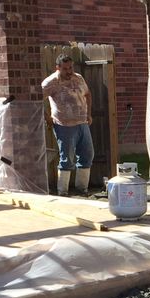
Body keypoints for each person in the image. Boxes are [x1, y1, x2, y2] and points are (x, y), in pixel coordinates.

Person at [41, 54, 94, 195]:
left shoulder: (78, 78)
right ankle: (62, 191)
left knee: (87, 154)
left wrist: (88, 114)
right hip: (64, 125)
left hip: (82, 122)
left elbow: (88, 94)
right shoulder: (50, 82)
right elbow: (36, 100)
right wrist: (47, 118)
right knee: (67, 158)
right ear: (57, 68)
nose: (69, 71)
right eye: (65, 69)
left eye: (70, 67)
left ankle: (82, 188)